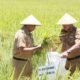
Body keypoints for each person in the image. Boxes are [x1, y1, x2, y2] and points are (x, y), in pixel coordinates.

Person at [12, 15, 42, 80]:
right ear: (28, 25)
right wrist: (36, 48)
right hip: (19, 63)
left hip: (27, 62)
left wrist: (38, 46)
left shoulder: (29, 34)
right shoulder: (21, 34)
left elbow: (29, 47)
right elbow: (22, 50)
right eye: (34, 26)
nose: (35, 28)